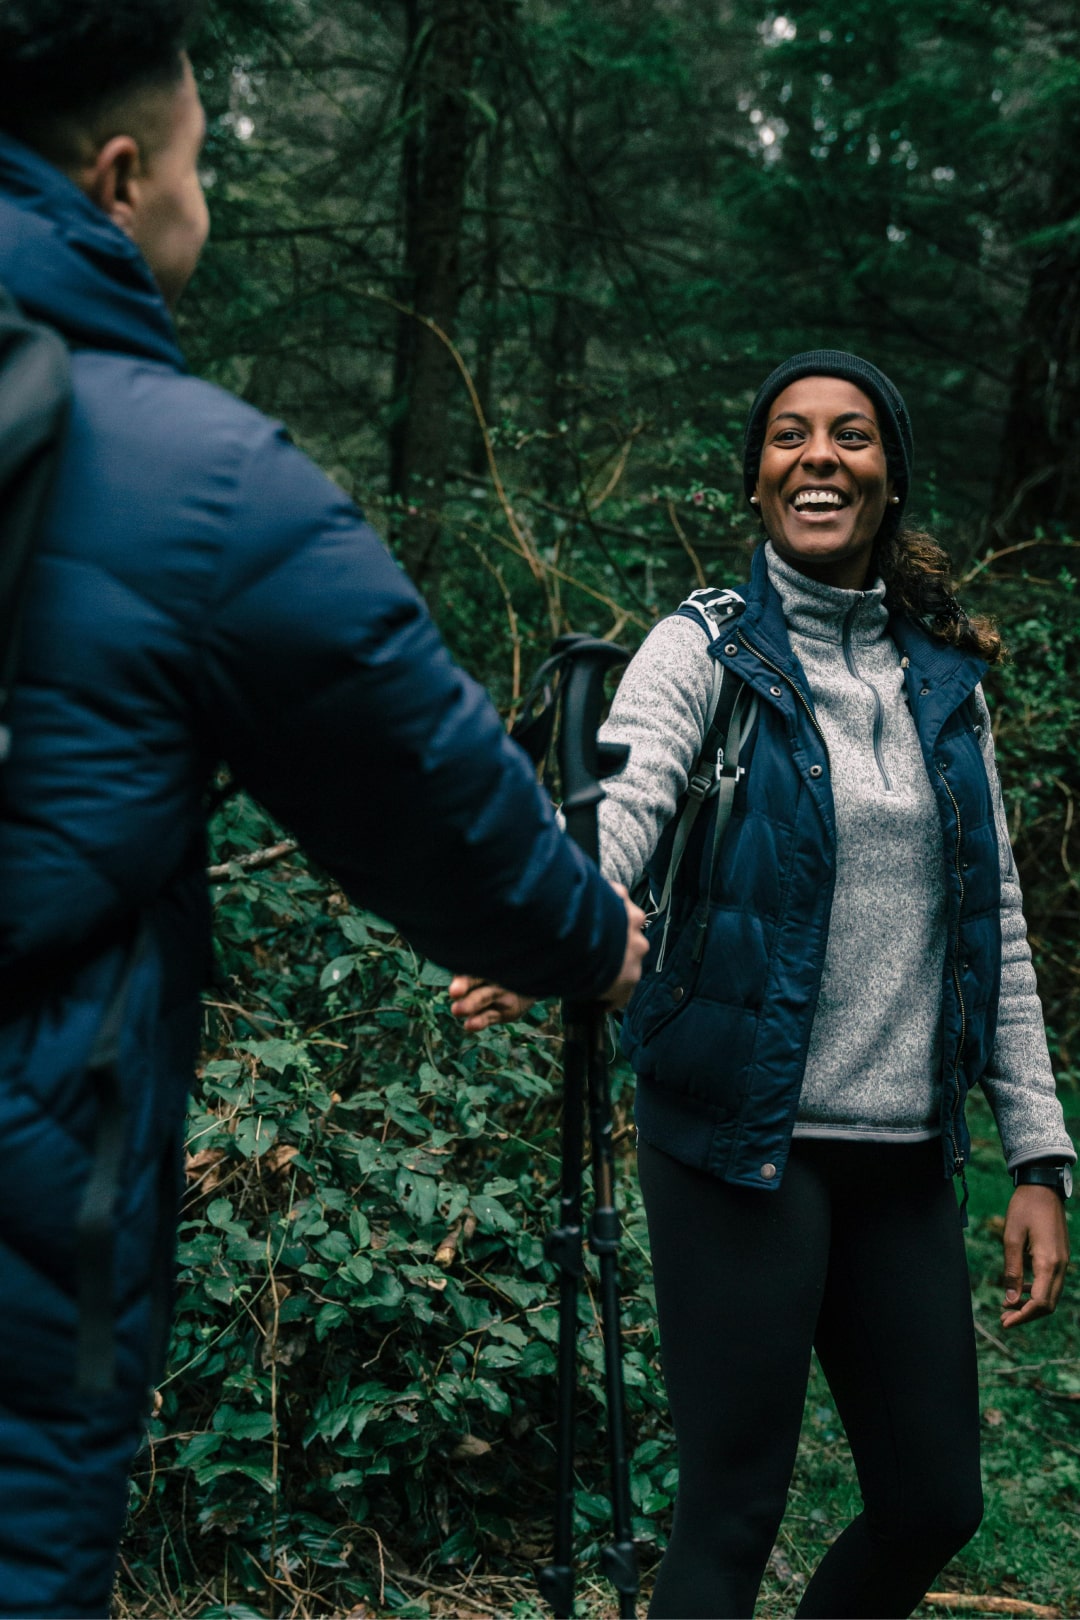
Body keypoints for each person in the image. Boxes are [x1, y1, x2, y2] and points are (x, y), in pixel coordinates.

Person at [0, 5, 648, 1614]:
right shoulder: (202, 485)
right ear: (124, 171)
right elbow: (433, 802)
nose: (205, 206)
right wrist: (593, 939)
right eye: (206, 165)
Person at [451, 351, 1076, 1618]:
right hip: (740, 1141)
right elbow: (622, 806)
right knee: (732, 1512)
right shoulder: (707, 650)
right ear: (756, 481)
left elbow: (995, 921)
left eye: (851, 436)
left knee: (932, 1501)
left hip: (904, 1157)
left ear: (890, 476)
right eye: (790, 437)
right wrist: (548, 926)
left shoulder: (946, 686)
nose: (819, 457)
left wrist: (1038, 1159)